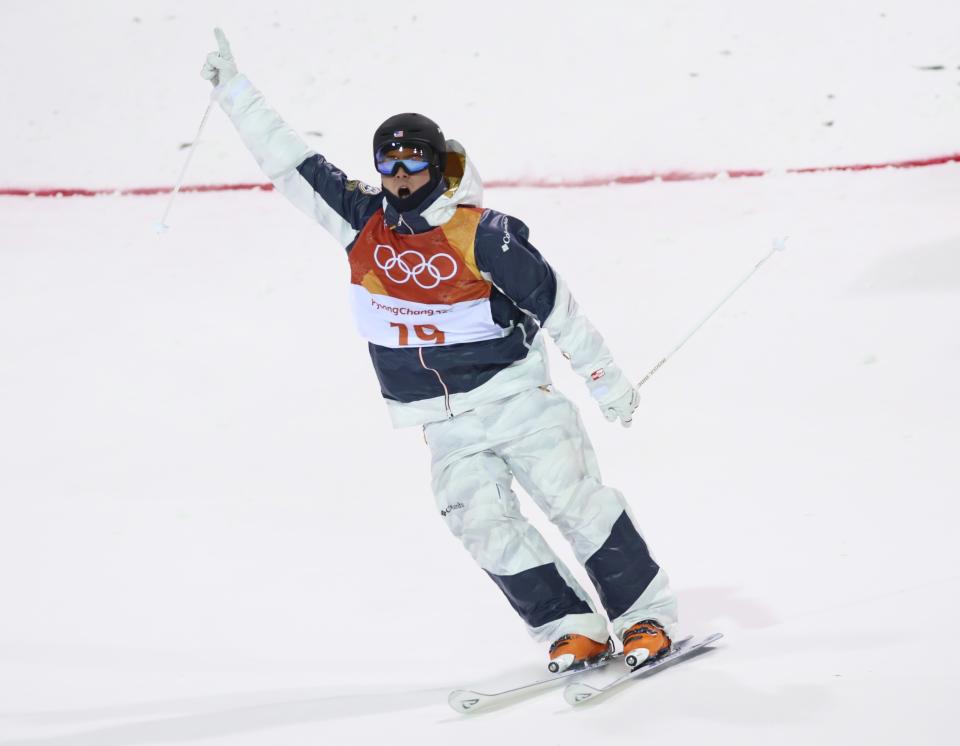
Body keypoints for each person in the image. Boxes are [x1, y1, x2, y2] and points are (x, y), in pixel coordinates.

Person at [201, 28, 678, 672]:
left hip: (515, 399)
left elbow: (557, 306)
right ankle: (571, 626)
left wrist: (605, 379)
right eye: (387, 166)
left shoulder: (481, 232)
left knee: (575, 500)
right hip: (441, 419)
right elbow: (290, 162)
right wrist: (233, 89)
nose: (399, 179)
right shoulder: (359, 221)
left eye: (412, 165)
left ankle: (643, 616)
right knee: (478, 521)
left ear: (435, 163)